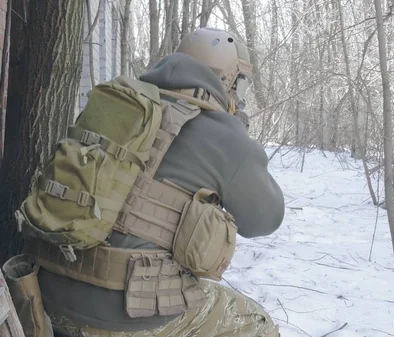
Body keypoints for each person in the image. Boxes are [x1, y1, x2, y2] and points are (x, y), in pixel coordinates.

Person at [12, 27, 285, 337]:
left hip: (46, 294)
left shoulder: (119, 105)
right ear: (228, 80)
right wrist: (239, 140)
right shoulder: (224, 133)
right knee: (257, 324)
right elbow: (266, 219)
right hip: (127, 319)